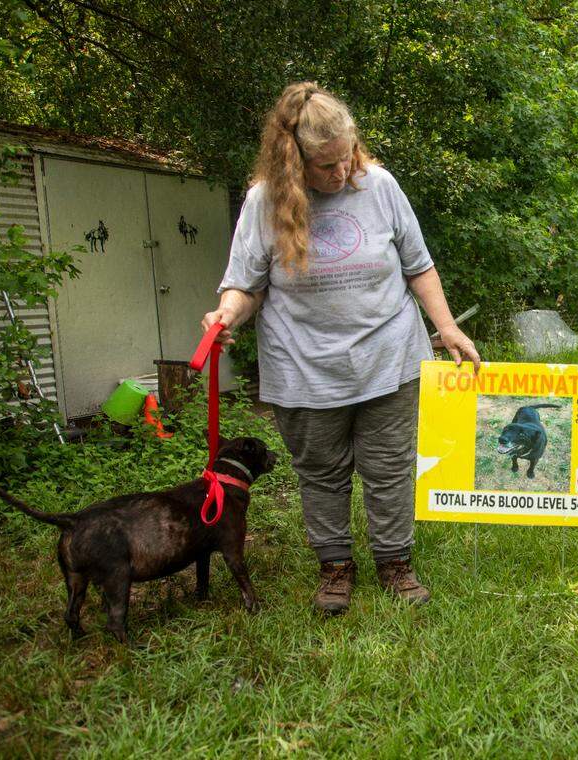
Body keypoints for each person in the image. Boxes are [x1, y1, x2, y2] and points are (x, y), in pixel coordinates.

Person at [202, 82, 480, 615]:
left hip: (388, 356)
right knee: (322, 472)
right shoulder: (265, 202)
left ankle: (395, 562)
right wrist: (227, 314)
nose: (342, 172)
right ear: (294, 159)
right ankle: (335, 568)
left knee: (390, 466)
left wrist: (445, 326)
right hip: (304, 367)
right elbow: (245, 282)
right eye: (326, 165)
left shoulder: (379, 186)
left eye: (348, 155)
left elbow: (417, 264)